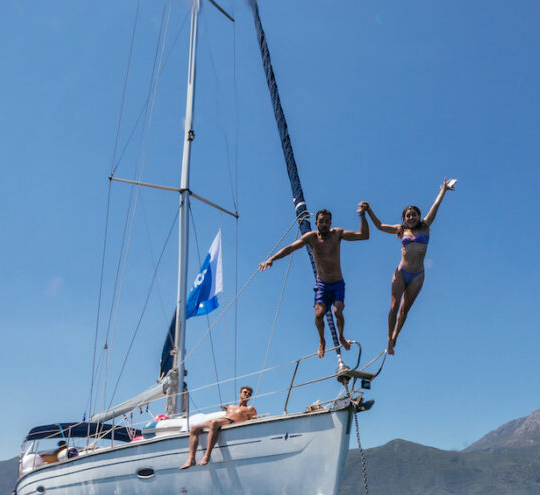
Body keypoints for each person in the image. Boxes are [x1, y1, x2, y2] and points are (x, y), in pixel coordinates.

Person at [259, 204, 369, 357]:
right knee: (318, 314)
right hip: (322, 284)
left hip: (337, 283)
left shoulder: (337, 234)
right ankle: (322, 341)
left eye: (327, 221)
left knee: (338, 310)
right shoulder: (311, 238)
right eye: (321, 221)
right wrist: (272, 259)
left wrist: (363, 215)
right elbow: (291, 247)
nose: (324, 224)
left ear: (330, 223)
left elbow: (363, 235)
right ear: (316, 223)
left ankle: (341, 336)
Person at [364, 179, 455, 354]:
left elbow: (435, 207)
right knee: (394, 306)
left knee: (404, 310)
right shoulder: (400, 230)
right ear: (404, 218)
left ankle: (396, 336)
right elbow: (380, 226)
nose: (411, 217)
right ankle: (389, 338)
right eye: (408, 215)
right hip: (402, 272)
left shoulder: (425, 227)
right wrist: (369, 210)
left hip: (418, 276)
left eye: (414, 214)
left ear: (419, 216)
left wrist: (443, 190)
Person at [179, 386, 258, 469]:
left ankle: (207, 455)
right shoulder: (230, 407)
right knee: (194, 428)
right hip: (221, 421)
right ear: (240, 394)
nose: (247, 394)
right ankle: (191, 459)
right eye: (245, 392)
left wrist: (252, 419)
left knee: (214, 422)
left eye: (249, 394)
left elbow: (254, 419)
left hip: (231, 422)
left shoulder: (250, 408)